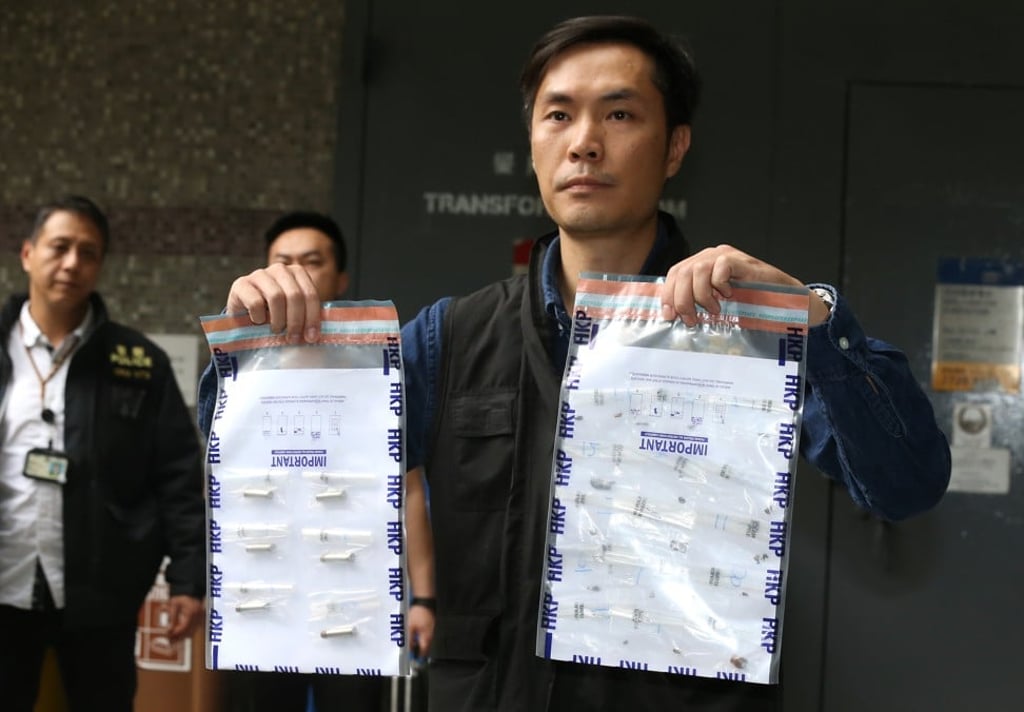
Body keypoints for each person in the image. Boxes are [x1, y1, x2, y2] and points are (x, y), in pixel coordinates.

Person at [198, 15, 951, 712]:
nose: (584, 141)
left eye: (620, 114)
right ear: (532, 141)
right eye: (558, 114)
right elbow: (266, 479)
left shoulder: (743, 331)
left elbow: (905, 484)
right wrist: (260, 354)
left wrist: (812, 321)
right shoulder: (453, 336)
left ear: (676, 146)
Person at [197, 211, 436, 712]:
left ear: (340, 278)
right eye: (283, 261)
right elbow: (220, 482)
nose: (297, 273)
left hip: (354, 598)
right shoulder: (243, 368)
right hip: (264, 593)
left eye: (313, 261)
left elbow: (409, 486)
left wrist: (423, 598)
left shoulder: (372, 367)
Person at [0, 195, 205, 711]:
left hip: (100, 594)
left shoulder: (136, 362)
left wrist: (188, 578)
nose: (71, 263)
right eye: (59, 247)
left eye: (87, 252)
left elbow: (177, 474)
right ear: (27, 254)